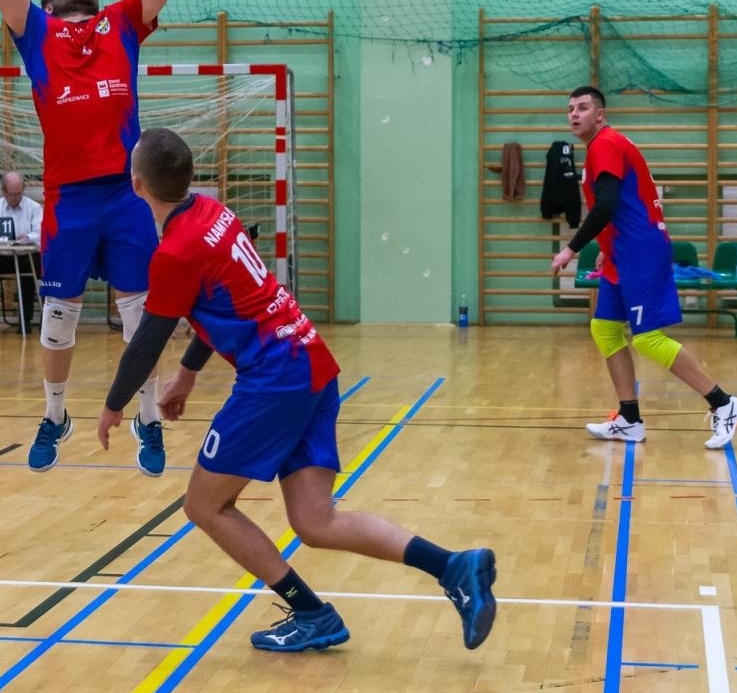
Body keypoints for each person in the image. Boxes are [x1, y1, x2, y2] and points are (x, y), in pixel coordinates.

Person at [99, 127, 498, 652]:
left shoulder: (174, 251)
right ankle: (453, 566)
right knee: (315, 520)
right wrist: (190, 372)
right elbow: (229, 300)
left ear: (136, 184)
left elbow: (147, 341)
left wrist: (111, 407)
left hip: (274, 380)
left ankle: (310, 612)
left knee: (203, 506)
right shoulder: (215, 214)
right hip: (310, 359)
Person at [0, 0, 185, 476]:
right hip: (70, 201)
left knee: (137, 317)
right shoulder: (38, 33)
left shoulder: (121, 22)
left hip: (127, 197)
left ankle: (148, 421)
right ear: (48, 4)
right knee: (58, 319)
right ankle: (55, 415)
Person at [549, 86, 737, 448]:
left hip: (640, 252)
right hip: (624, 251)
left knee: (647, 338)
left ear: (600, 115)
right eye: (570, 109)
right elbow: (627, 201)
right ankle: (629, 418)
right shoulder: (602, 146)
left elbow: (606, 204)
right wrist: (608, 246)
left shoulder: (606, 143)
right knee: (605, 327)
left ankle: (724, 403)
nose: (574, 114)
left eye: (583, 107)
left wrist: (571, 249)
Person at [0, 171, 42, 334]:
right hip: (3, 257)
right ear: (3, 192)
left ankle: (25, 321)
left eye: (19, 194)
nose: (16, 198)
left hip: (28, 257)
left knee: (27, 273)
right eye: (12, 195)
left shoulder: (34, 208)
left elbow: (40, 233)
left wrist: (28, 236)